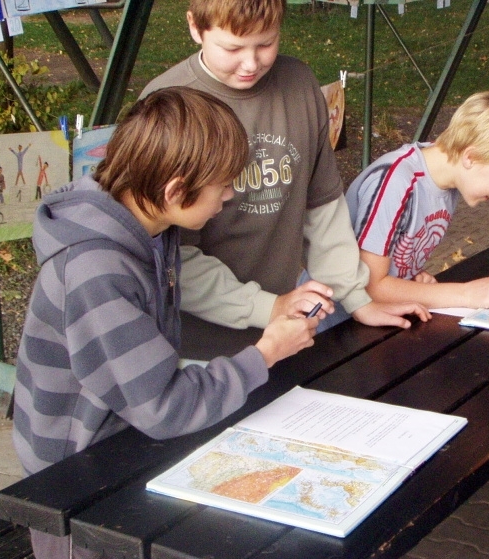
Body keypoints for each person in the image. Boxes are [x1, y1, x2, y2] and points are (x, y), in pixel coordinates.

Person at [12, 87, 318, 559]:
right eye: (224, 186)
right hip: (73, 482)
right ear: (176, 190)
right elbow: (164, 404)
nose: (229, 198)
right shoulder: (96, 268)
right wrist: (266, 352)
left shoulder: (148, 226)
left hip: (117, 446)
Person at [140, 0, 429, 348]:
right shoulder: (167, 103)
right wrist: (267, 307)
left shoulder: (299, 84)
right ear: (194, 27)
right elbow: (169, 254)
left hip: (282, 330)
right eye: (232, 48)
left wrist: (357, 299)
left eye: (266, 43)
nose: (251, 63)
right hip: (195, 346)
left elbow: (323, 208)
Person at [345, 91, 489, 312]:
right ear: (470, 157)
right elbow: (370, 287)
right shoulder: (396, 181)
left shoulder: (449, 182)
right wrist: (466, 294)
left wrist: (412, 280)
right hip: (338, 323)